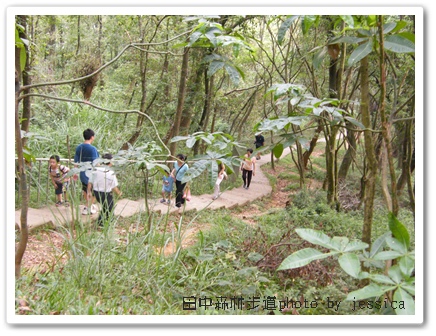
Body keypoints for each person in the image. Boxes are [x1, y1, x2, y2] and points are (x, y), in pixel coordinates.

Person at [87, 153, 122, 227]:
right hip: (106, 193)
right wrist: (118, 193)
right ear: (111, 161)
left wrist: (89, 192)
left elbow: (90, 182)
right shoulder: (111, 172)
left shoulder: (95, 170)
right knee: (110, 208)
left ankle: (100, 222)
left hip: (96, 192)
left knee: (105, 207)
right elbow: (113, 186)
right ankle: (108, 223)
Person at [74, 128, 99, 215]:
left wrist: (75, 172)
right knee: (95, 191)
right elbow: (95, 162)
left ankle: (88, 206)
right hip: (91, 173)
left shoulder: (79, 148)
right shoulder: (93, 149)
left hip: (82, 172)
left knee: (85, 189)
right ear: (92, 137)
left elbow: (76, 161)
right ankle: (88, 207)